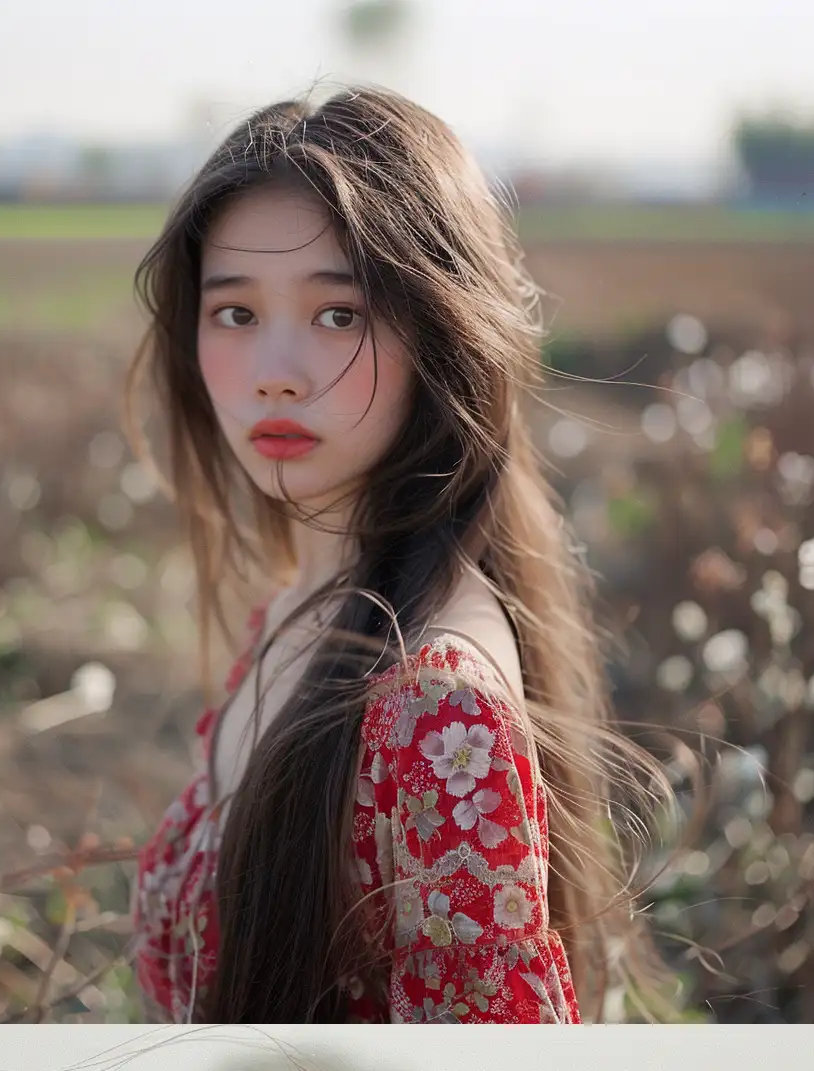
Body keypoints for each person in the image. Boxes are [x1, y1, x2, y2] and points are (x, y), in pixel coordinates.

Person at [129, 90, 662, 1023]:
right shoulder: (312, 597)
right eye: (235, 314)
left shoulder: (431, 709)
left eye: (340, 315)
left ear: (443, 335)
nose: (277, 370)